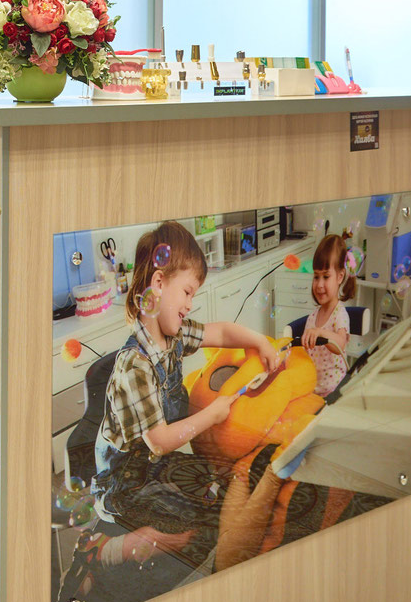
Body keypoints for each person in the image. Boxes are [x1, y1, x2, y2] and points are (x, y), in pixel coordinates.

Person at [90, 221, 284, 561]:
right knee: (189, 528)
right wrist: (213, 414)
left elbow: (221, 333)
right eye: (188, 292)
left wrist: (260, 342)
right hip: (123, 482)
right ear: (159, 283)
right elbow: (159, 441)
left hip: (155, 465)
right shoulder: (135, 366)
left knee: (217, 489)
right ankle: (107, 550)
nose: (190, 304)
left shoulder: (174, 335)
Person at [295, 234, 356, 396]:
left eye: (326, 276)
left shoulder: (339, 314)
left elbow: (340, 344)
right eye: (316, 276)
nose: (319, 284)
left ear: (340, 276)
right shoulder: (312, 318)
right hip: (313, 391)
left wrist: (321, 332)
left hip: (334, 393)